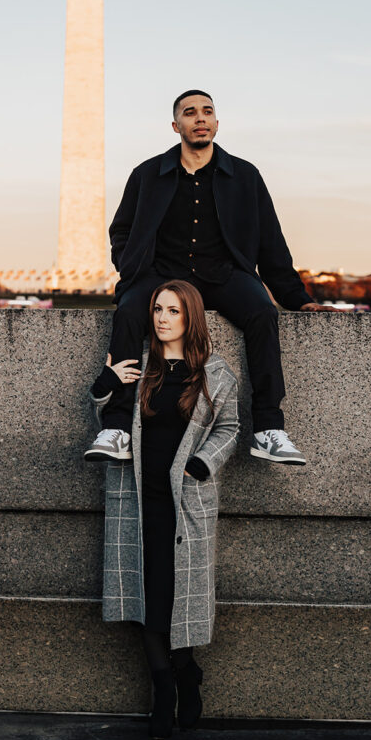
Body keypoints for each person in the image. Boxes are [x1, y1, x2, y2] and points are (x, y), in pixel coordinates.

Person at [85, 88, 334, 469]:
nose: (199, 118)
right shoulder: (146, 174)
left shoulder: (245, 176)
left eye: (207, 111)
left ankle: (268, 429)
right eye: (190, 112)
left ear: (216, 123)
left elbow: (270, 242)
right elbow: (122, 230)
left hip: (223, 274)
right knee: (131, 311)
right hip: (162, 276)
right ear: (176, 125)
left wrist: (297, 297)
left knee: (263, 314)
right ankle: (116, 427)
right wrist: (131, 268)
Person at [89, 280, 240, 738]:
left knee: (179, 596)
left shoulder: (215, 372)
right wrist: (108, 381)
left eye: (172, 310)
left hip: (186, 499)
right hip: (136, 497)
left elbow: (230, 428)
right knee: (145, 593)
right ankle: (164, 692)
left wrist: (201, 464)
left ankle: (187, 672)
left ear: (189, 316)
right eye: (157, 309)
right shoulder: (141, 362)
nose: (161, 318)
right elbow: (104, 413)